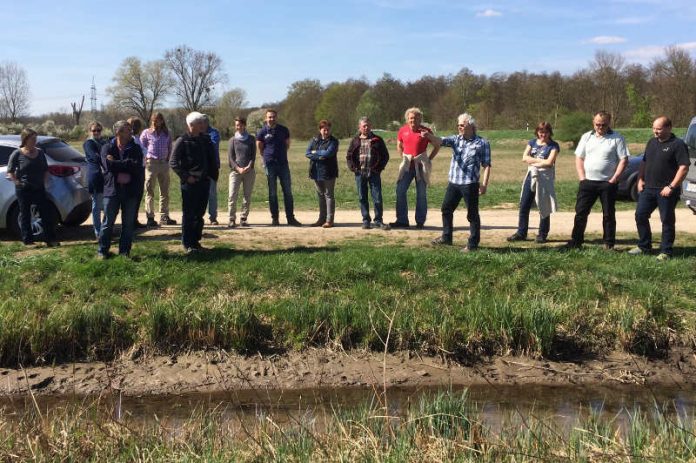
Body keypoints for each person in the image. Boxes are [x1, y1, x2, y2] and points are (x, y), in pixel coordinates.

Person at [628, 116, 690, 260]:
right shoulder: (651, 142)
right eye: (654, 128)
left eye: (659, 129)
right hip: (648, 188)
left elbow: (684, 167)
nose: (655, 132)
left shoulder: (678, 144)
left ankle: (666, 251)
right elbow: (644, 162)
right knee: (640, 215)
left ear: (669, 128)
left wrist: (671, 186)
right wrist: (640, 179)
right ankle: (644, 246)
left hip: (666, 190)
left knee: (667, 220)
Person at [565, 110, 629, 250]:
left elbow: (623, 160)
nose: (600, 127)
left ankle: (609, 244)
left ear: (609, 123)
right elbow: (579, 158)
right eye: (597, 124)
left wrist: (614, 179)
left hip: (608, 183)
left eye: (603, 125)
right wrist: (582, 177)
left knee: (608, 214)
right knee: (581, 213)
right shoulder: (586, 137)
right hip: (587, 182)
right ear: (593, 123)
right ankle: (576, 241)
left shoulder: (617, 138)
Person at [430, 113, 491, 252]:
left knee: (472, 214)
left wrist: (484, 184)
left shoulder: (482, 143)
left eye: (462, 125)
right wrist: (428, 136)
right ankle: (446, 237)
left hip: (470, 184)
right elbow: (440, 140)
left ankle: (473, 244)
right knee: (446, 209)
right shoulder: (455, 140)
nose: (459, 127)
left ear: (471, 126)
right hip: (454, 183)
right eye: (458, 125)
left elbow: (486, 165)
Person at [170, 111, 219, 253]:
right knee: (189, 214)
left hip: (204, 181)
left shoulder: (206, 139)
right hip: (190, 184)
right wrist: (186, 177)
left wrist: (212, 176)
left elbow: (211, 159)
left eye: (203, 122)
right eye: (200, 123)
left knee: (199, 214)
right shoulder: (182, 140)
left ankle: (196, 241)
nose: (203, 125)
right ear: (191, 125)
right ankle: (187, 244)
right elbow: (173, 162)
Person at [97, 120, 144, 259]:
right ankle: (103, 251)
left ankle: (124, 253)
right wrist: (126, 164)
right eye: (127, 130)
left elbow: (136, 167)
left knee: (128, 224)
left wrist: (116, 163)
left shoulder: (135, 148)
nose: (131, 132)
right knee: (107, 223)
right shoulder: (107, 148)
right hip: (112, 191)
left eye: (130, 129)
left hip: (130, 192)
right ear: (118, 132)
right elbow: (108, 166)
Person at [507, 121, 560, 244]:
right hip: (531, 176)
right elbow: (524, 157)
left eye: (546, 132)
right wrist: (539, 161)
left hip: (545, 179)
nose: (543, 134)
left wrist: (533, 161)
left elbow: (549, 163)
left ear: (549, 132)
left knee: (543, 206)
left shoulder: (554, 146)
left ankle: (542, 234)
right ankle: (521, 232)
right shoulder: (531, 142)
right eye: (541, 132)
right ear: (537, 132)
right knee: (524, 205)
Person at [7, 128, 60, 247]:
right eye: (32, 139)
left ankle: (50, 240)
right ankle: (28, 241)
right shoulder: (17, 153)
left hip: (39, 188)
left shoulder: (40, 152)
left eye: (35, 138)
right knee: (25, 215)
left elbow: (45, 169)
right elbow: (10, 171)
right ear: (25, 139)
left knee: (45, 214)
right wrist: (17, 182)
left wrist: (45, 183)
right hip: (24, 189)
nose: (34, 141)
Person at [390, 107, 439, 229]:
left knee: (421, 194)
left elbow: (437, 145)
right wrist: (404, 158)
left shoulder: (426, 131)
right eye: (411, 118)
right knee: (400, 191)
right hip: (407, 167)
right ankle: (402, 220)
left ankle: (420, 221)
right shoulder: (402, 131)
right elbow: (399, 145)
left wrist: (428, 159)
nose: (414, 120)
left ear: (420, 119)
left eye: (417, 118)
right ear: (407, 119)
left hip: (421, 167)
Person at [256, 108, 301, 226]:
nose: (271, 119)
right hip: (270, 164)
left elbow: (287, 145)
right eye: (269, 117)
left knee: (288, 191)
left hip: (283, 164)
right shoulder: (262, 131)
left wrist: (280, 154)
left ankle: (291, 218)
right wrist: (266, 157)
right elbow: (260, 147)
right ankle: (275, 218)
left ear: (276, 117)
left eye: (273, 117)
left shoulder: (284, 130)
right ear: (265, 118)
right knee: (272, 193)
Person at [346, 116, 390, 229]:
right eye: (364, 126)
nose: (366, 127)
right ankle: (366, 220)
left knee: (377, 197)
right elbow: (349, 156)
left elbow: (385, 156)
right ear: (359, 127)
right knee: (362, 197)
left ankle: (378, 220)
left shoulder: (377, 139)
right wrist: (354, 169)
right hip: (360, 173)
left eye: (368, 125)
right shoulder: (355, 140)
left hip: (374, 173)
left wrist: (379, 168)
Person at [140, 112, 175, 227]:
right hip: (151, 164)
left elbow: (170, 147)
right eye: (154, 120)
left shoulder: (167, 133)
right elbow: (141, 147)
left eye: (158, 120)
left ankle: (164, 215)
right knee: (150, 191)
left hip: (163, 163)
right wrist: (146, 160)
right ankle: (150, 217)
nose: (156, 122)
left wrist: (167, 160)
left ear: (162, 121)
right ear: (151, 121)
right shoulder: (146, 133)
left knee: (164, 191)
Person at [306, 120, 339, 228]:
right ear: (320, 130)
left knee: (329, 195)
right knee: (320, 196)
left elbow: (329, 153)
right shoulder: (314, 140)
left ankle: (329, 220)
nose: (326, 131)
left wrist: (316, 152)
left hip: (329, 171)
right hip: (316, 172)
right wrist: (320, 155)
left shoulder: (333, 141)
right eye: (324, 129)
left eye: (328, 129)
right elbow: (307, 153)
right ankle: (321, 219)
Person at [227, 116, 256, 228]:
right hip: (235, 172)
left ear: (244, 125)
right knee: (232, 195)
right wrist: (238, 168)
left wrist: (249, 166)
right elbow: (230, 158)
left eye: (240, 124)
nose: (238, 127)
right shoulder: (232, 140)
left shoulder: (251, 139)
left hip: (249, 171)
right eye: (236, 125)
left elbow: (253, 156)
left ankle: (243, 218)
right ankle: (231, 219)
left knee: (247, 195)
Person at [83, 121, 107, 238]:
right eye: (94, 130)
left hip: (106, 177)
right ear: (90, 131)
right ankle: (98, 232)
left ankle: (105, 229)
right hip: (95, 176)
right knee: (96, 205)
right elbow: (94, 157)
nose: (96, 132)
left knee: (107, 206)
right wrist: (106, 157)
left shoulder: (103, 142)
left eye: (98, 130)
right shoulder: (89, 143)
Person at [127, 116, 148, 229]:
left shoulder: (138, 138)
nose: (135, 128)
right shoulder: (131, 139)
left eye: (136, 126)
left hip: (141, 168)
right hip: (135, 170)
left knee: (138, 195)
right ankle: (131, 220)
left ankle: (134, 219)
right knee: (134, 196)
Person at [203, 114, 221, 225]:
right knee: (199, 194)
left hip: (212, 167)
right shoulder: (197, 132)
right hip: (200, 167)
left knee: (212, 193)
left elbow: (212, 145)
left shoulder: (214, 132)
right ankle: (198, 216)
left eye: (202, 122)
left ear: (206, 123)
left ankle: (213, 217)